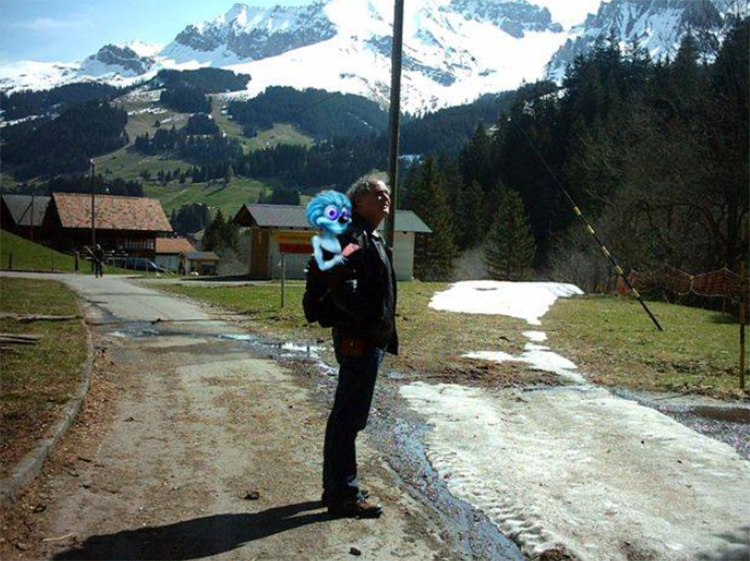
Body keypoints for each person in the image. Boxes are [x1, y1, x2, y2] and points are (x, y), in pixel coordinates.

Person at [322, 177, 398, 519]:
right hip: (359, 339)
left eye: (387, 194)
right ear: (358, 201)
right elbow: (341, 285)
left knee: (347, 416)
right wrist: (368, 319)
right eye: (376, 194)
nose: (385, 198)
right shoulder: (354, 234)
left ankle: (338, 487)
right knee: (348, 418)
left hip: (368, 339)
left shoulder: (370, 234)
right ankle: (344, 495)